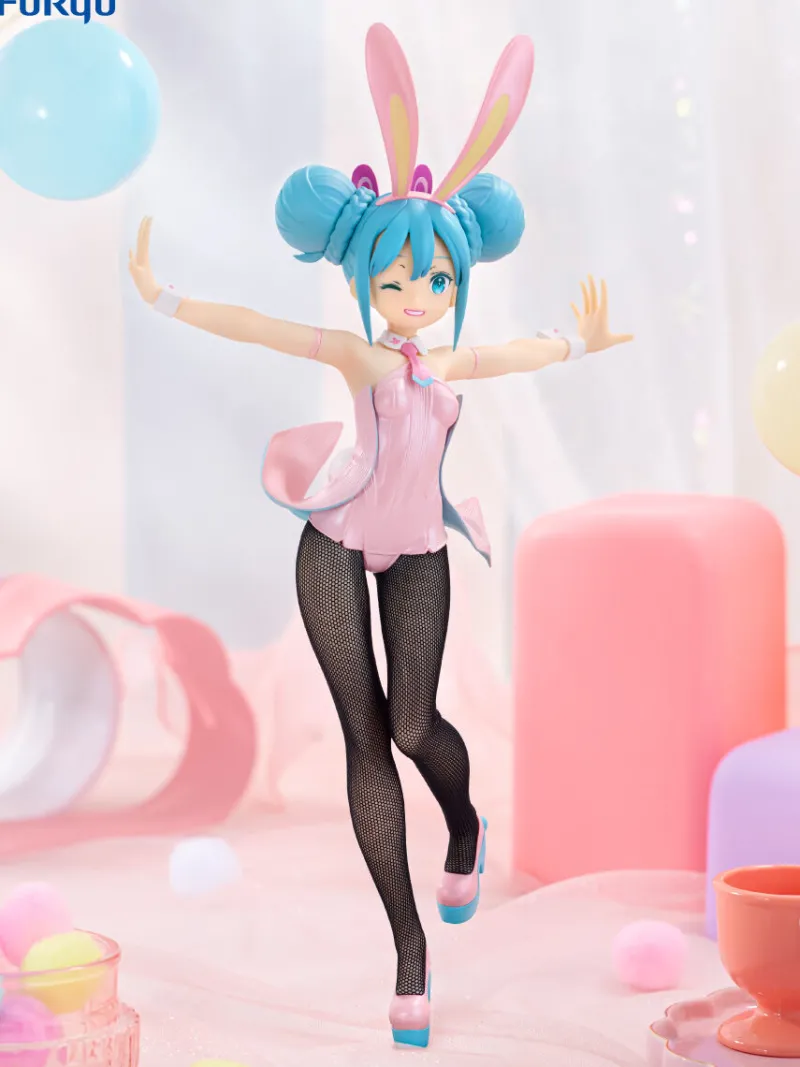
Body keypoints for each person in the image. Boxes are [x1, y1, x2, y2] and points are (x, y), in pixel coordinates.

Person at [129, 23, 633, 1048]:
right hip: (331, 539)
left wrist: (576, 343)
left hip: (417, 551)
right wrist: (166, 297)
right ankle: (409, 947)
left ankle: (465, 821)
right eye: (396, 281)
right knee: (364, 739)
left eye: (434, 282)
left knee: (412, 725)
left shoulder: (444, 368)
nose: (415, 299)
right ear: (364, 278)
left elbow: (519, 353)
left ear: (456, 281)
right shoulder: (359, 357)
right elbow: (261, 327)